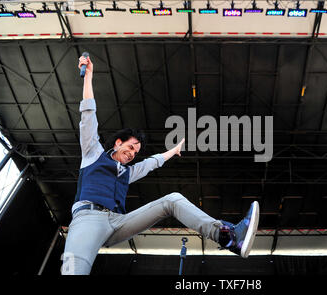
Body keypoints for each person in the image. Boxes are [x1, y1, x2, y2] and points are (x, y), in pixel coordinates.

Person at [60, 55, 260, 275]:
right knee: (73, 271)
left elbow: (151, 163)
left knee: (172, 200)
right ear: (118, 142)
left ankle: (228, 237)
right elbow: (88, 115)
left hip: (117, 223)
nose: (133, 153)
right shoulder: (92, 153)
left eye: (136, 151)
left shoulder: (128, 173)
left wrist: (173, 152)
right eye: (131, 146)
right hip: (88, 218)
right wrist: (88, 76)